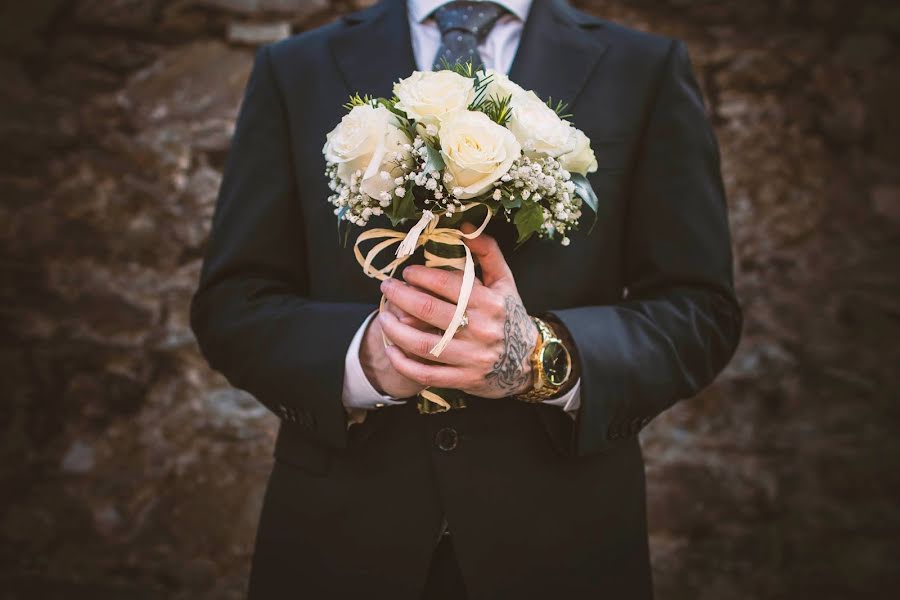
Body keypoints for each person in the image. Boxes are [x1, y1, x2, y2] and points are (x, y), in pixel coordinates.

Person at [189, 0, 743, 598]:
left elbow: (698, 311)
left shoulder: (645, 68)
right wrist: (363, 360)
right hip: (339, 545)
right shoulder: (295, 67)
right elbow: (233, 301)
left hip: (562, 546)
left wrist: (539, 357)